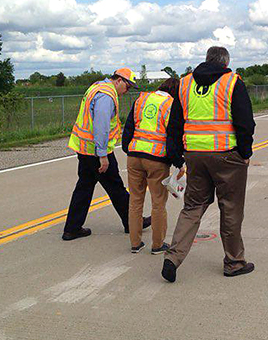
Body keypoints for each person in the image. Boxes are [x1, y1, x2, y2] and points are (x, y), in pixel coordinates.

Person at [162, 46, 256, 282]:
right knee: (231, 208)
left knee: (192, 207)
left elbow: (174, 124)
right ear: (225, 63)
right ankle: (234, 262)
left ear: (206, 60)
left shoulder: (184, 84)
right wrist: (245, 152)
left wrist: (177, 156)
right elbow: (245, 121)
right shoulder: (232, 82)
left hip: (194, 155)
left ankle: (172, 258)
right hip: (227, 155)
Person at [62, 68, 151, 241]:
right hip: (97, 151)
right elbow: (101, 126)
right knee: (115, 186)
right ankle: (133, 223)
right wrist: (102, 155)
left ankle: (72, 228)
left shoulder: (97, 87)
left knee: (85, 187)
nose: (126, 91)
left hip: (86, 149)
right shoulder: (106, 95)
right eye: (127, 86)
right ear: (119, 80)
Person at [122, 78, 185, 254]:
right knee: (158, 203)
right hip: (156, 159)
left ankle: (135, 243)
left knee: (135, 201)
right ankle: (157, 245)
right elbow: (172, 138)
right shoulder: (171, 105)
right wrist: (179, 163)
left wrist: (129, 148)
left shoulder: (141, 99)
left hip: (134, 155)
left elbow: (129, 128)